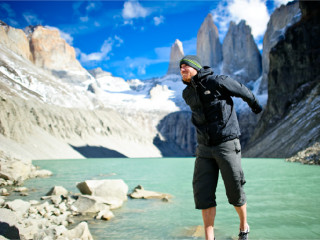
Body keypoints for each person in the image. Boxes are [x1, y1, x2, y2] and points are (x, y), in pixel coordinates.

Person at [180, 55, 262, 240]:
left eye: (185, 66)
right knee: (203, 193)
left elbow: (242, 91)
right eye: (180, 68)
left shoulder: (217, 81)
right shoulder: (187, 94)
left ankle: (243, 226)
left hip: (226, 143)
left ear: (195, 67)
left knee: (234, 188)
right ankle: (210, 238)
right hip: (204, 149)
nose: (182, 70)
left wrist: (255, 105)